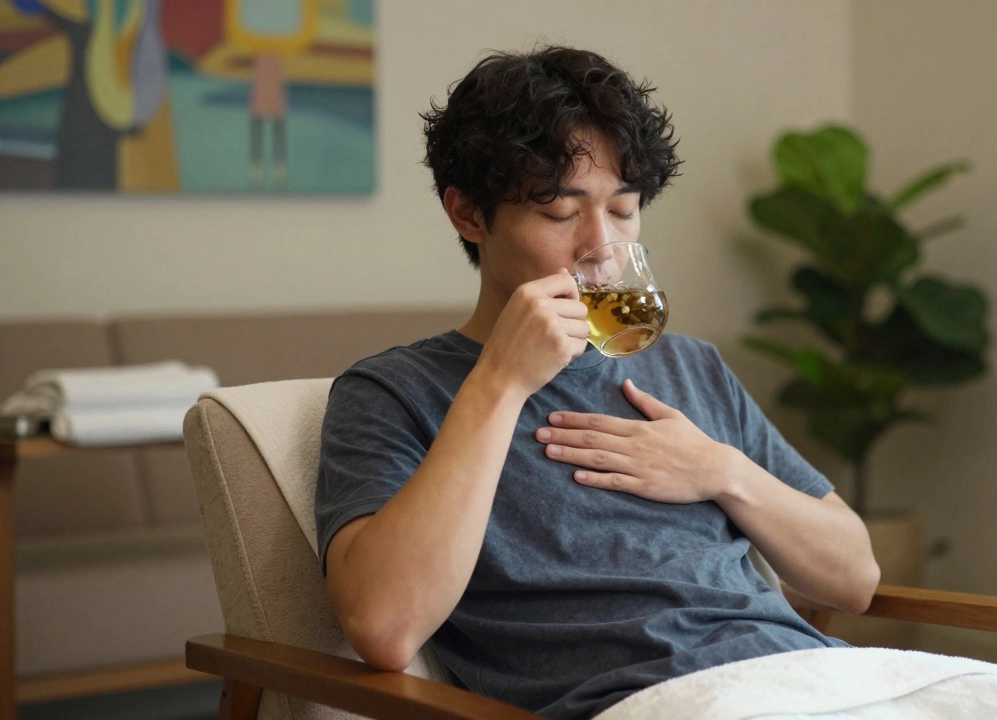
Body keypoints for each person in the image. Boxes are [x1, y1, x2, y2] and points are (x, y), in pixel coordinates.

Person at [315, 46, 880, 720]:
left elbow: (855, 578)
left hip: (819, 679)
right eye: (561, 212)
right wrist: (500, 382)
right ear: (467, 214)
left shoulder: (693, 367)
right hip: (658, 703)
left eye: (623, 209)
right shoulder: (393, 393)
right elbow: (384, 627)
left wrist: (721, 471)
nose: (601, 249)